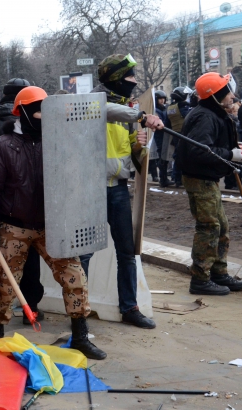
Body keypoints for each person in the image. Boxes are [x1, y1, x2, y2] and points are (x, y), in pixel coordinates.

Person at [0, 87, 106, 359]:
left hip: (52, 227)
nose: (43, 116)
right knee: (6, 283)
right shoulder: (3, 145)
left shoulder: (57, 141)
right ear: (23, 112)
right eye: (38, 110)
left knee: (75, 277)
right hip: (14, 226)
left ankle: (81, 335)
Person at [80, 54, 164, 329]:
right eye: (130, 77)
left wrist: (140, 146)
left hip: (117, 190)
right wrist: (142, 115)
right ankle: (78, 311)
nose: (135, 82)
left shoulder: (128, 110)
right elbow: (105, 110)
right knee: (84, 254)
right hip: (91, 190)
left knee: (127, 252)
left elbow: (133, 153)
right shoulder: (93, 102)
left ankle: (129, 307)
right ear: (115, 77)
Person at [176, 72, 242, 295]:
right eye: (227, 92)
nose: (232, 96)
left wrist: (231, 146)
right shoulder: (206, 116)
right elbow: (199, 150)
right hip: (199, 179)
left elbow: (207, 142)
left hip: (206, 178)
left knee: (221, 226)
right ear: (215, 95)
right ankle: (200, 279)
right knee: (209, 227)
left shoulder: (212, 112)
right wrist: (230, 153)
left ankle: (218, 273)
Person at [168, 86, 193, 188]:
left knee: (177, 156)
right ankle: (179, 179)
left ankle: (176, 177)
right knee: (182, 157)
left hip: (175, 133)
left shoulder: (170, 108)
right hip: (183, 135)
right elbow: (189, 118)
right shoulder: (183, 106)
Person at [153, 90, 172, 187]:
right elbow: (160, 121)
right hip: (159, 135)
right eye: (160, 99)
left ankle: (164, 178)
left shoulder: (165, 108)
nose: (162, 101)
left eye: (163, 98)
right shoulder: (155, 110)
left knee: (166, 157)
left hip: (166, 134)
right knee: (162, 157)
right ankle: (163, 179)